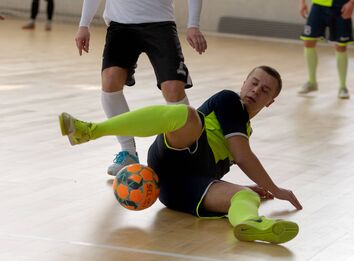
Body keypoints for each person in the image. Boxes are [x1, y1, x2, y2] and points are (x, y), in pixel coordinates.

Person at [59, 66, 302, 244]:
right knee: (187, 116)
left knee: (246, 196)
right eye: (254, 82)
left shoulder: (245, 129)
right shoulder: (229, 101)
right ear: (244, 83)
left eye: (265, 90)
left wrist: (248, 188)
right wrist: (276, 189)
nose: (256, 90)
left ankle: (250, 224)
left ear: (270, 102)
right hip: (176, 154)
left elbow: (234, 157)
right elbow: (243, 156)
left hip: (177, 190)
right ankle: (90, 130)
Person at [75, 0, 208, 177]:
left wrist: (193, 25)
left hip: (161, 25)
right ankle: (128, 152)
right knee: (110, 80)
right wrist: (84, 24)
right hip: (121, 26)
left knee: (173, 89)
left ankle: (189, 152)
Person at [298, 0, 354, 99]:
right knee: (308, 41)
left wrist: (352, 3)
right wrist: (302, 2)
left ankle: (343, 87)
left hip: (340, 6)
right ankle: (312, 82)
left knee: (341, 46)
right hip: (318, 5)